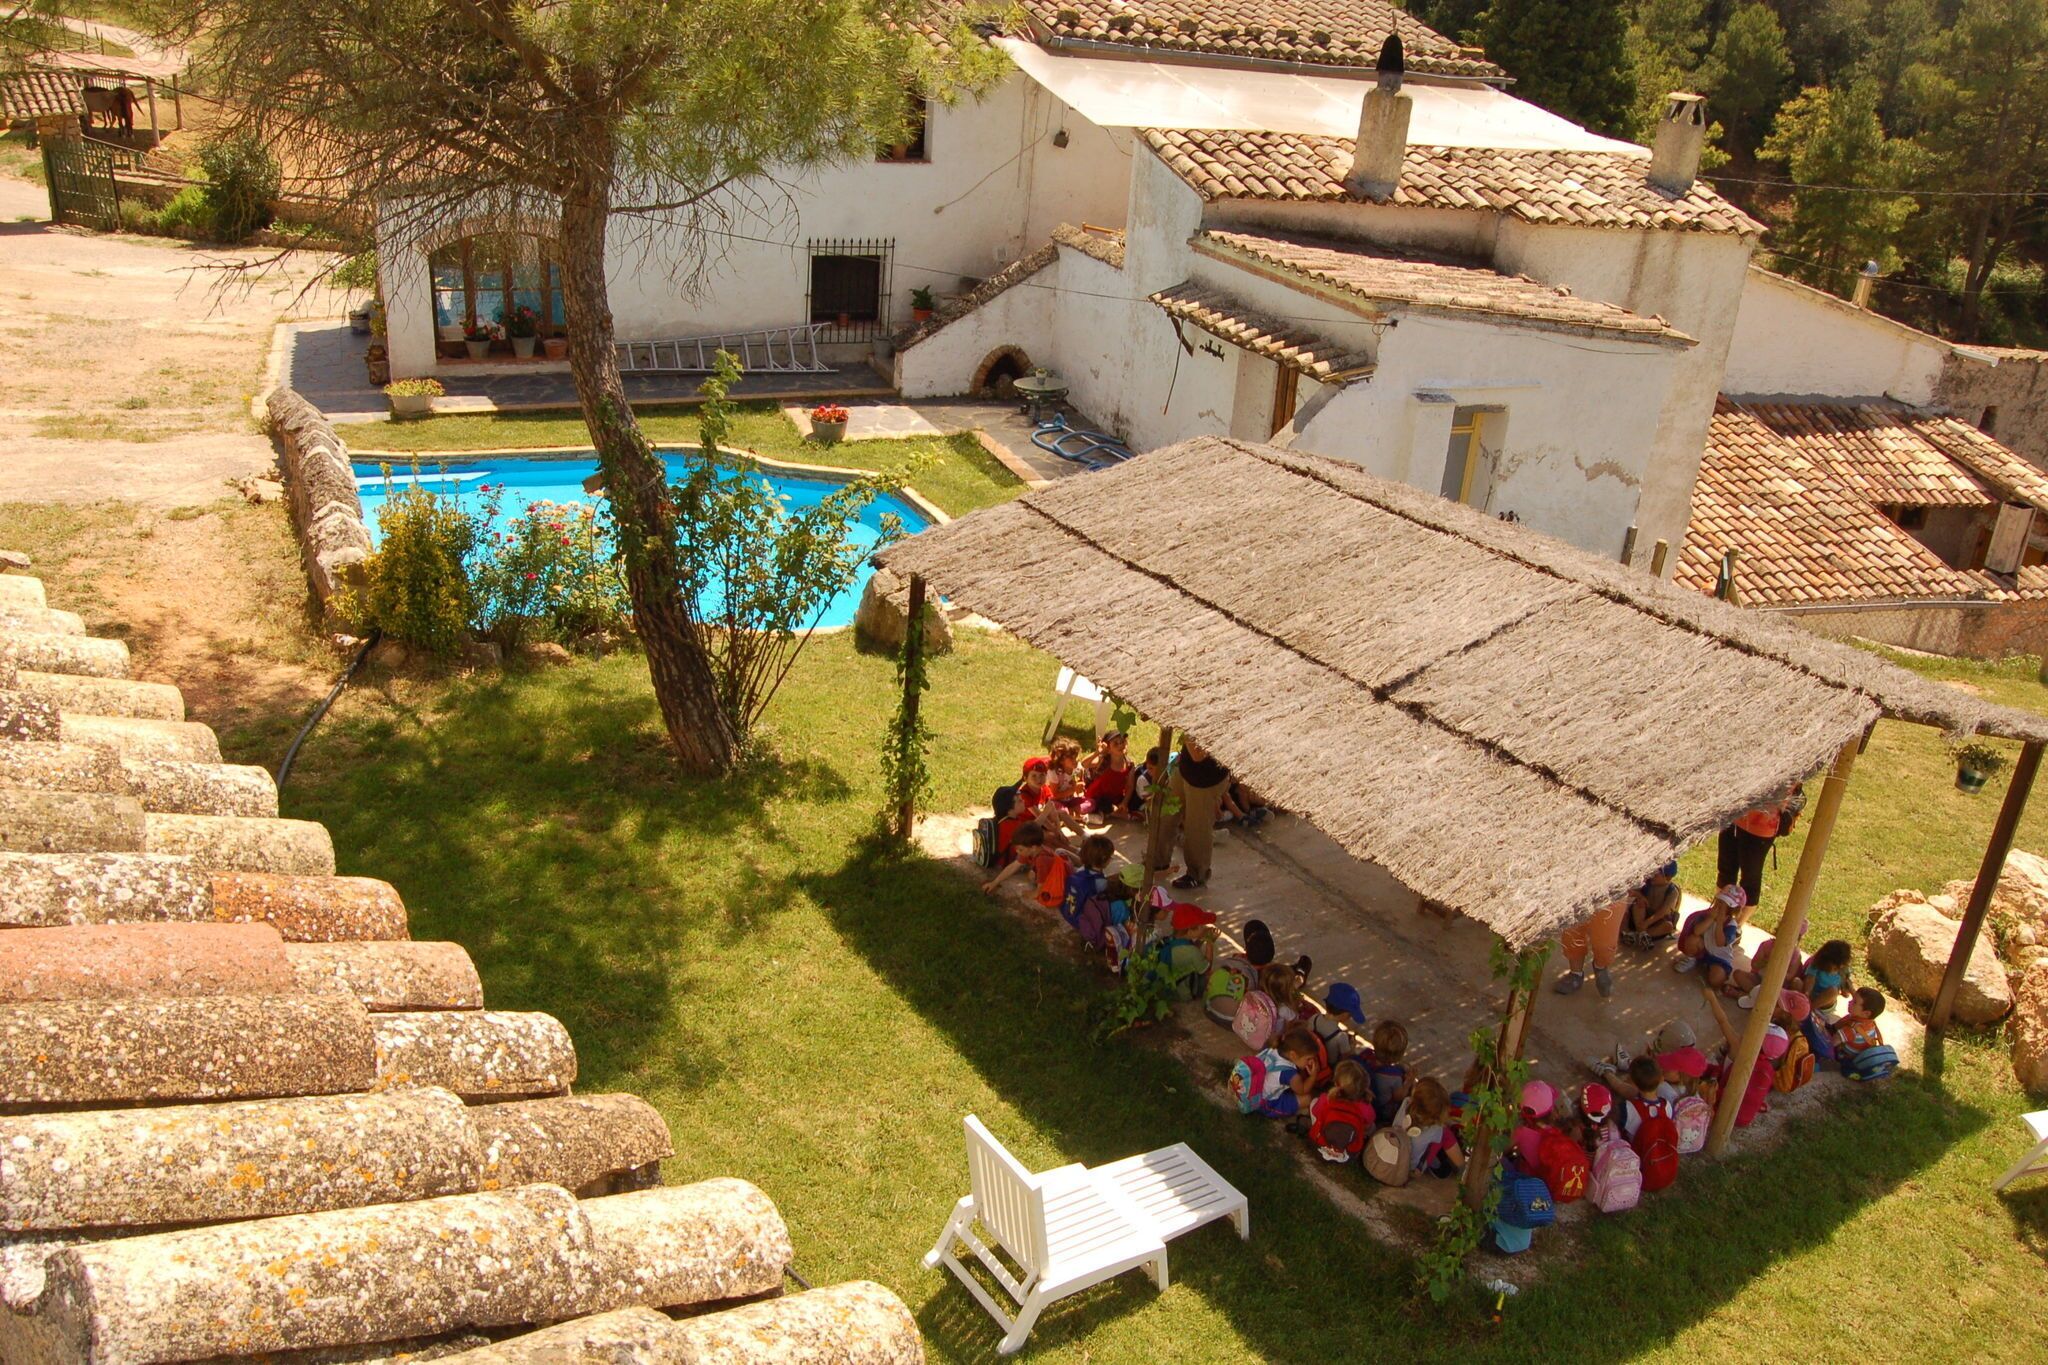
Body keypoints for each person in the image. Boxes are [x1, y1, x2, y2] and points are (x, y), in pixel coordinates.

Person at [1717, 786, 1802, 910]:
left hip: (1762, 826)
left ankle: (1737, 924)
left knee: (1750, 879)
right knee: (1726, 869)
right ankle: (1717, 913)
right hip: (1734, 814)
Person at [1169, 739, 1231, 889]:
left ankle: (1197, 875)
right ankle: (1157, 861)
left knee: (1197, 829)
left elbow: (1198, 755)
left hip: (1204, 781)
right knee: (1165, 813)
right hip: (1185, 771)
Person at [1675, 885, 1746, 992]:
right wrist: (1711, 918)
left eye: (1724, 904)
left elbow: (1720, 942)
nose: (1719, 906)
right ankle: (1691, 959)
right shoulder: (1707, 915)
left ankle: (1714, 970)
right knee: (1692, 939)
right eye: (1719, 901)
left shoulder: (1731, 925)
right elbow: (1697, 931)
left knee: (1715, 980)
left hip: (1720, 959)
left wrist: (1719, 923)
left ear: (1732, 909)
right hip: (1705, 950)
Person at [1556, 897, 1629, 997]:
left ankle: (1600, 967)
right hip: (1573, 888)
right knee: (1572, 931)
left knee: (1606, 941)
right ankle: (1576, 973)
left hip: (1610, 889)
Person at [980, 823, 1070, 896]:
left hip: (1062, 879)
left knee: (1033, 876)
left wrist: (1024, 894)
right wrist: (994, 883)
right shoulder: (1030, 850)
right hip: (1053, 869)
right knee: (1032, 875)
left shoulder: (1042, 859)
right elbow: (1013, 866)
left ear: (1033, 847)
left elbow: (1039, 891)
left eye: (1020, 849)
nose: (1017, 851)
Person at [1407, 1078, 1465, 1177]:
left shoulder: (1406, 1103)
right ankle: (1462, 1168)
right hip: (1413, 1167)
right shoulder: (1437, 1129)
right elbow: (1441, 1127)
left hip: (1398, 1152)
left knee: (1431, 1138)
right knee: (1445, 1134)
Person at [1077, 731, 1137, 820]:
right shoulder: (1103, 761)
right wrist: (1097, 752)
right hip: (1096, 797)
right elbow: (1084, 764)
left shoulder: (1129, 765)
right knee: (1101, 804)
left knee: (1129, 804)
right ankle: (1109, 813)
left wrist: (1124, 802)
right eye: (1116, 743)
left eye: (1123, 741)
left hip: (1113, 798)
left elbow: (1130, 786)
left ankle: (1108, 812)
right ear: (1108, 749)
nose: (1120, 745)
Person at [1621, 862, 1683, 946]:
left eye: (1656, 875)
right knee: (1638, 905)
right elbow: (1630, 891)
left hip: (1657, 920)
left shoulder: (1672, 892)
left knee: (1668, 926)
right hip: (1641, 917)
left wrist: (1647, 923)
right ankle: (1642, 935)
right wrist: (1640, 896)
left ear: (1667, 878)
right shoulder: (1648, 883)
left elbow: (1663, 912)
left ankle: (1638, 935)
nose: (1652, 876)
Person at [1363, 1020, 1411, 1124]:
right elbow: (1399, 1096)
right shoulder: (1394, 1077)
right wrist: (1409, 1082)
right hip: (1382, 1110)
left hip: (1365, 1099)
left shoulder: (1365, 1056)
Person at [1798, 939, 1856, 1020]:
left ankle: (1808, 1009)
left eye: (1837, 968)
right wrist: (1807, 993)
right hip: (1810, 995)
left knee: (1833, 991)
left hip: (1824, 1002)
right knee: (1796, 982)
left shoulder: (1843, 972)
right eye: (1833, 967)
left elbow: (1846, 990)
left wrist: (1851, 992)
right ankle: (1802, 1004)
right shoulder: (1816, 964)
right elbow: (1810, 979)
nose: (1834, 970)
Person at [1832, 986, 1887, 1058]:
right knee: (1848, 1017)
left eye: (1854, 1002)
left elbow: (1831, 1043)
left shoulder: (1852, 1029)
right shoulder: (1871, 1023)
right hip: (1859, 1055)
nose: (1850, 1002)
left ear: (1866, 1013)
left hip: (1845, 1058)